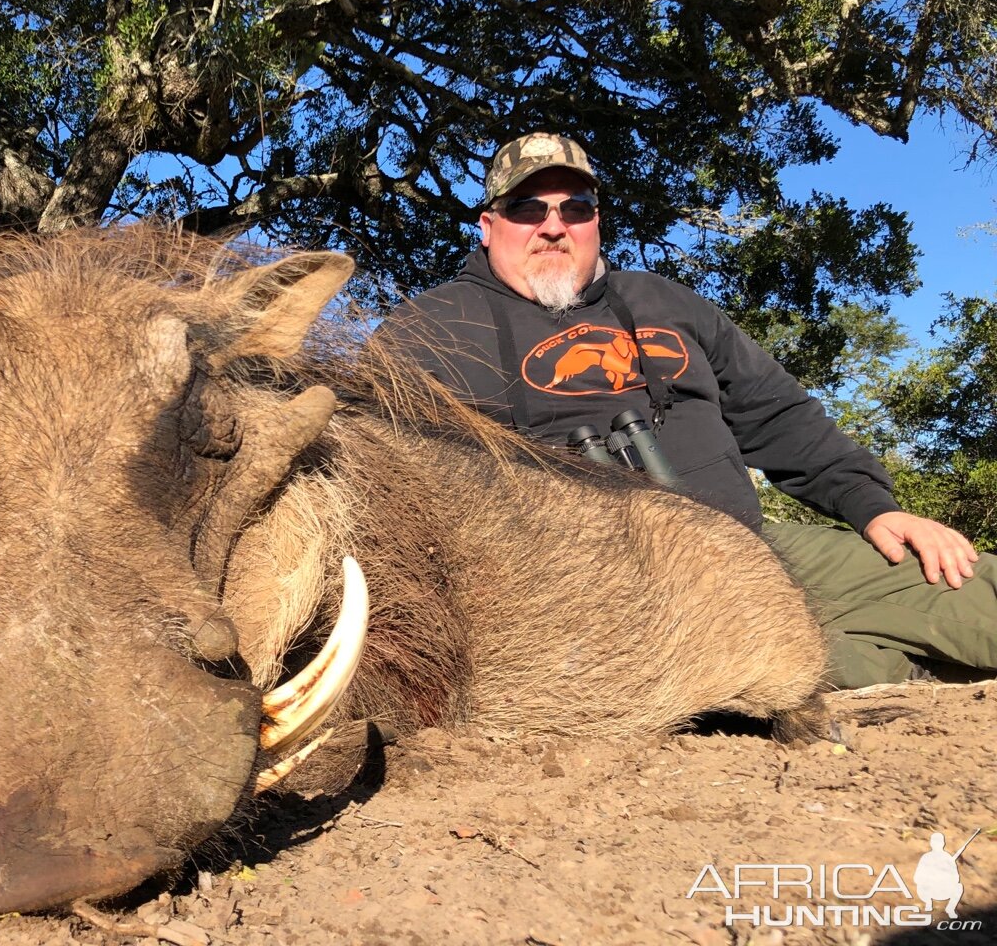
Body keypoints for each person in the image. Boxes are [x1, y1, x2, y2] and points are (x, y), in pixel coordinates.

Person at [379, 131, 997, 689]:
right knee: (746, 678)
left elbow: (779, 415)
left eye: (575, 208)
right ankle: (872, 670)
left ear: (596, 221)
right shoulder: (425, 331)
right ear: (489, 225)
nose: (553, 226)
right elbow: (396, 491)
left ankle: (877, 663)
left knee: (966, 582)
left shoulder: (663, 301)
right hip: (585, 599)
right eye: (527, 209)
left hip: (749, 551)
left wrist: (876, 508)